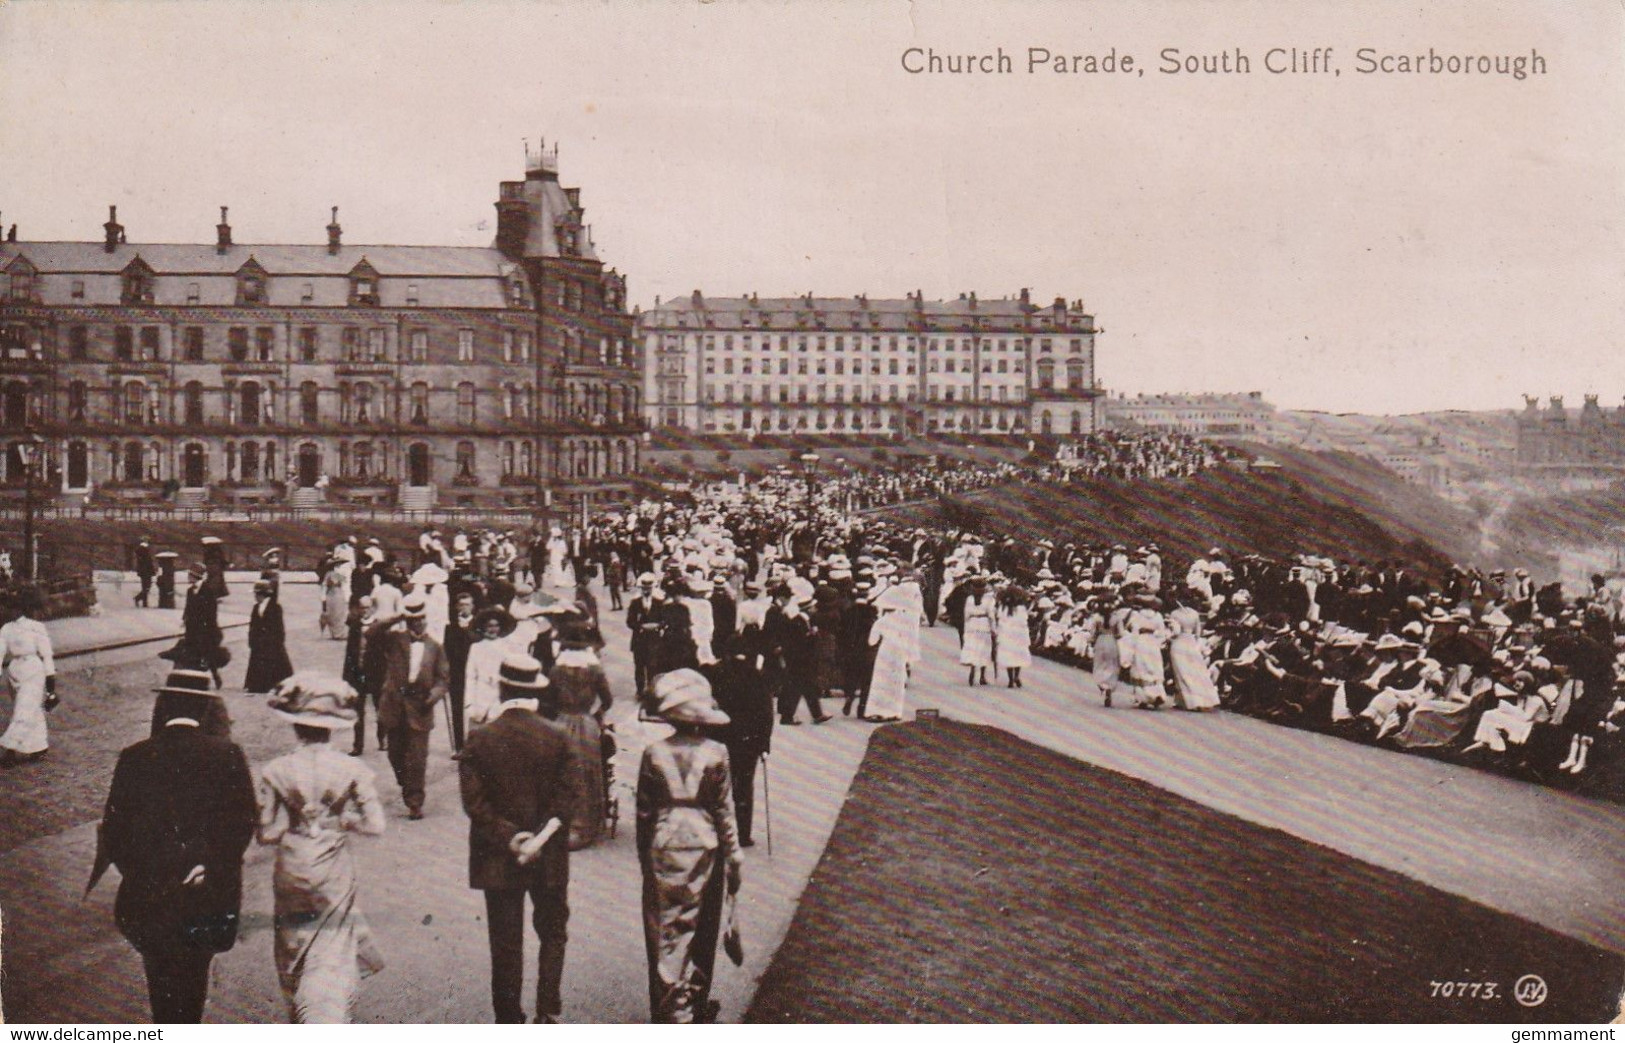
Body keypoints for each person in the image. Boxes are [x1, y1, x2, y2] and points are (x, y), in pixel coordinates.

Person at [91, 668, 257, 1023]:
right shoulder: (226, 754)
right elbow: (241, 824)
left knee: (160, 976)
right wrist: (208, 864)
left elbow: (115, 831)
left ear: (163, 705)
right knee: (194, 975)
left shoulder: (134, 756)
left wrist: (146, 871)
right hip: (206, 893)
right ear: (204, 709)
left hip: (149, 894)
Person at [256, 674, 386, 1022]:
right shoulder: (352, 769)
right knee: (333, 948)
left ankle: (299, 1016)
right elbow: (375, 825)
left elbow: (266, 834)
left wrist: (290, 821)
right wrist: (344, 821)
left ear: (296, 725)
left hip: (292, 868)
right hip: (333, 871)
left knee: (292, 945)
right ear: (333, 727)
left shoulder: (276, 770)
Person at [458, 654, 581, 1024]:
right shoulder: (559, 736)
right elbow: (569, 800)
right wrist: (537, 841)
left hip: (497, 855)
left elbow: (475, 806)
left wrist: (511, 838)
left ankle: (509, 1018)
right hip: (549, 855)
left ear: (501, 688)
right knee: (553, 932)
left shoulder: (478, 739)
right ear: (536, 692)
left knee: (505, 941)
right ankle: (549, 1012)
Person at [637, 669, 743, 1024]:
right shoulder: (717, 753)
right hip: (704, 841)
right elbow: (724, 809)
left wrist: (644, 857)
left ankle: (668, 1006)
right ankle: (695, 1000)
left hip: (664, 841)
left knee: (664, 926)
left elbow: (644, 812)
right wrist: (734, 854)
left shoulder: (653, 752)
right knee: (704, 922)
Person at [374, 594, 450, 820]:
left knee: (417, 759)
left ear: (426, 620)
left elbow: (443, 679)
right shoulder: (395, 640)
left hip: (420, 707)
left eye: (420, 619)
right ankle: (406, 783)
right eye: (412, 620)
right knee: (395, 755)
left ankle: (415, 802)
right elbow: (372, 633)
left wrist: (434, 695)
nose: (417, 623)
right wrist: (397, 616)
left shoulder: (435, 647)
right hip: (395, 705)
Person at [546, 620, 614, 849]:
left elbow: (549, 699)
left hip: (561, 722)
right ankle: (586, 826)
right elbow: (608, 700)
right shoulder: (594, 669)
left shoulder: (556, 670)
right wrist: (595, 714)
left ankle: (561, 825)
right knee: (587, 772)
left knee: (561, 773)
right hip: (586, 723)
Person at [0, 585, 56, 766]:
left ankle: (9, 748)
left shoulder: (36, 627)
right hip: (14, 671)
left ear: (21, 608)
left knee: (23, 709)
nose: (9, 611)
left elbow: (46, 655)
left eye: (12, 607)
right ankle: (39, 745)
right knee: (30, 708)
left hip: (33, 669)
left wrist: (51, 685)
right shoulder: (6, 629)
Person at [160, 563, 228, 688]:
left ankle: (215, 677)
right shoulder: (190, 591)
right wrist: (185, 619)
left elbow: (212, 612)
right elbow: (188, 607)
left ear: (195, 576)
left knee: (207, 655)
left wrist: (205, 627)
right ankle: (181, 677)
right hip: (192, 629)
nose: (188, 577)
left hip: (207, 630)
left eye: (189, 575)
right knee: (188, 652)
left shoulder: (208, 590)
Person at [1167, 599, 1222, 711]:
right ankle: (1187, 700)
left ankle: (1190, 700)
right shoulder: (1195, 614)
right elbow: (1198, 633)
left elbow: (1176, 632)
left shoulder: (1175, 614)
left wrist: (1169, 637)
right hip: (1191, 642)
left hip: (1179, 642)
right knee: (1194, 671)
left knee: (1181, 672)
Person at [243, 580, 294, 695]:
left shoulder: (275, 607)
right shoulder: (256, 607)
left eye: (256, 594)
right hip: (258, 642)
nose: (255, 597)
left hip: (271, 642)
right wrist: (251, 639)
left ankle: (276, 684)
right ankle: (257, 685)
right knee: (257, 663)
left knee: (276, 664)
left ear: (261, 594)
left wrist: (277, 641)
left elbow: (279, 627)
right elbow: (253, 625)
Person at [959, 575, 996, 686]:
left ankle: (972, 670)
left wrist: (966, 629)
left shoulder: (970, 599)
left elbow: (966, 615)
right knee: (984, 649)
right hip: (984, 624)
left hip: (972, 624)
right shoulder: (989, 599)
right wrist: (993, 629)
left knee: (973, 647)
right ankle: (982, 676)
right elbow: (991, 615)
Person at [994, 586, 1032, 689]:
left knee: (1009, 656)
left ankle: (1010, 679)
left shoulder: (1002, 608)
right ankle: (1016, 676)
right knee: (1018, 655)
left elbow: (1000, 621)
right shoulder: (1021, 608)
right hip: (1019, 634)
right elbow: (1024, 621)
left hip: (1007, 633)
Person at [135, 538, 155, 608]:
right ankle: (139, 599)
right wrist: (152, 571)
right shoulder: (144, 551)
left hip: (144, 572)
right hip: (146, 572)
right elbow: (148, 563)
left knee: (145, 587)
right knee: (147, 587)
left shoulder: (141, 551)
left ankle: (144, 602)